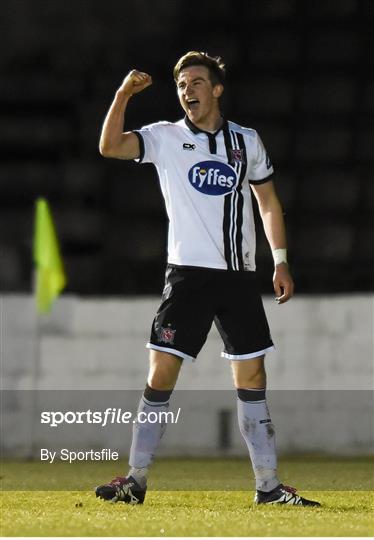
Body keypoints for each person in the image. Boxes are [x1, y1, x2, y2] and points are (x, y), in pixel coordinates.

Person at [95, 51, 320, 507]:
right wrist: (122, 95)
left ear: (216, 89)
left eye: (196, 82)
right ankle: (134, 480)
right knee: (161, 371)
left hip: (237, 277)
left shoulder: (245, 141)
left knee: (253, 373)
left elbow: (269, 203)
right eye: (181, 85)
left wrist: (280, 260)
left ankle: (269, 487)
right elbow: (110, 146)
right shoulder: (163, 137)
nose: (187, 90)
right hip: (188, 276)